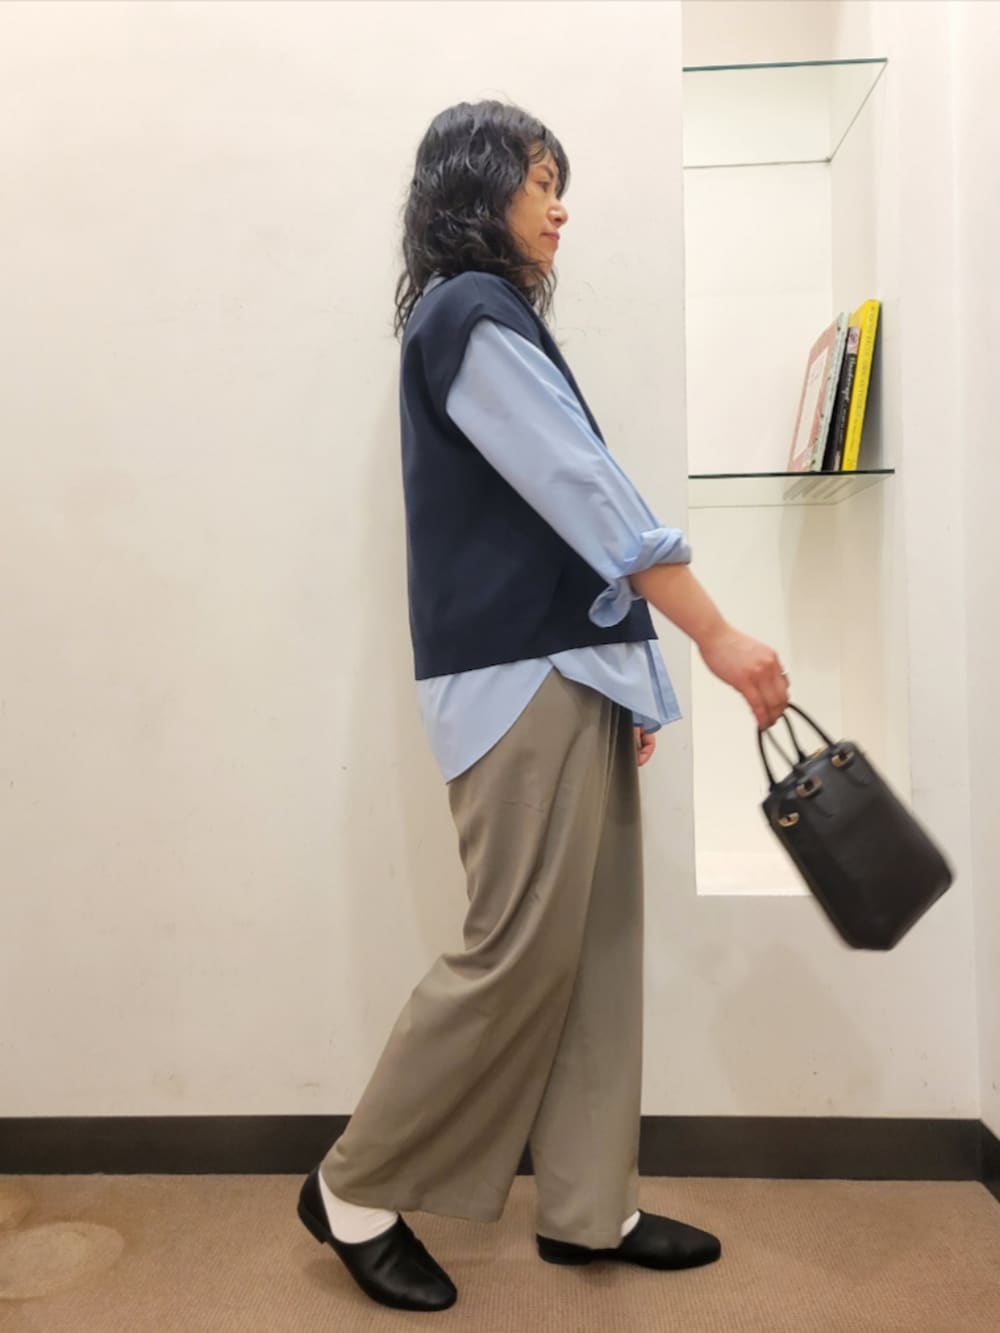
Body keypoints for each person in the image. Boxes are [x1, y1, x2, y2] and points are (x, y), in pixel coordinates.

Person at [296, 99, 790, 1313]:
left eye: (559, 184)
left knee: (596, 952)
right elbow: (587, 493)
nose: (559, 208)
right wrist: (713, 633)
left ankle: (587, 1203)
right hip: (519, 679)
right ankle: (351, 1186)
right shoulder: (470, 313)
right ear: (479, 192)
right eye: (538, 182)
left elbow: (555, 517)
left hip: (562, 671)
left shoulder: (481, 318)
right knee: (514, 952)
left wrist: (628, 674)